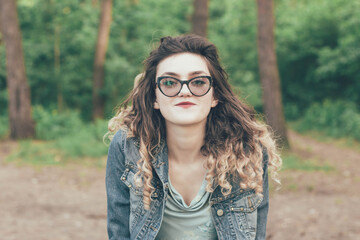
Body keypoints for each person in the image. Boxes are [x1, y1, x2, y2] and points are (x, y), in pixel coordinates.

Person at [105, 35, 282, 240]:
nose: (185, 91)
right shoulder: (128, 145)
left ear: (214, 95)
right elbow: (118, 232)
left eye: (198, 82)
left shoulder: (248, 149)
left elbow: (256, 234)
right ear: (154, 98)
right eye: (169, 82)